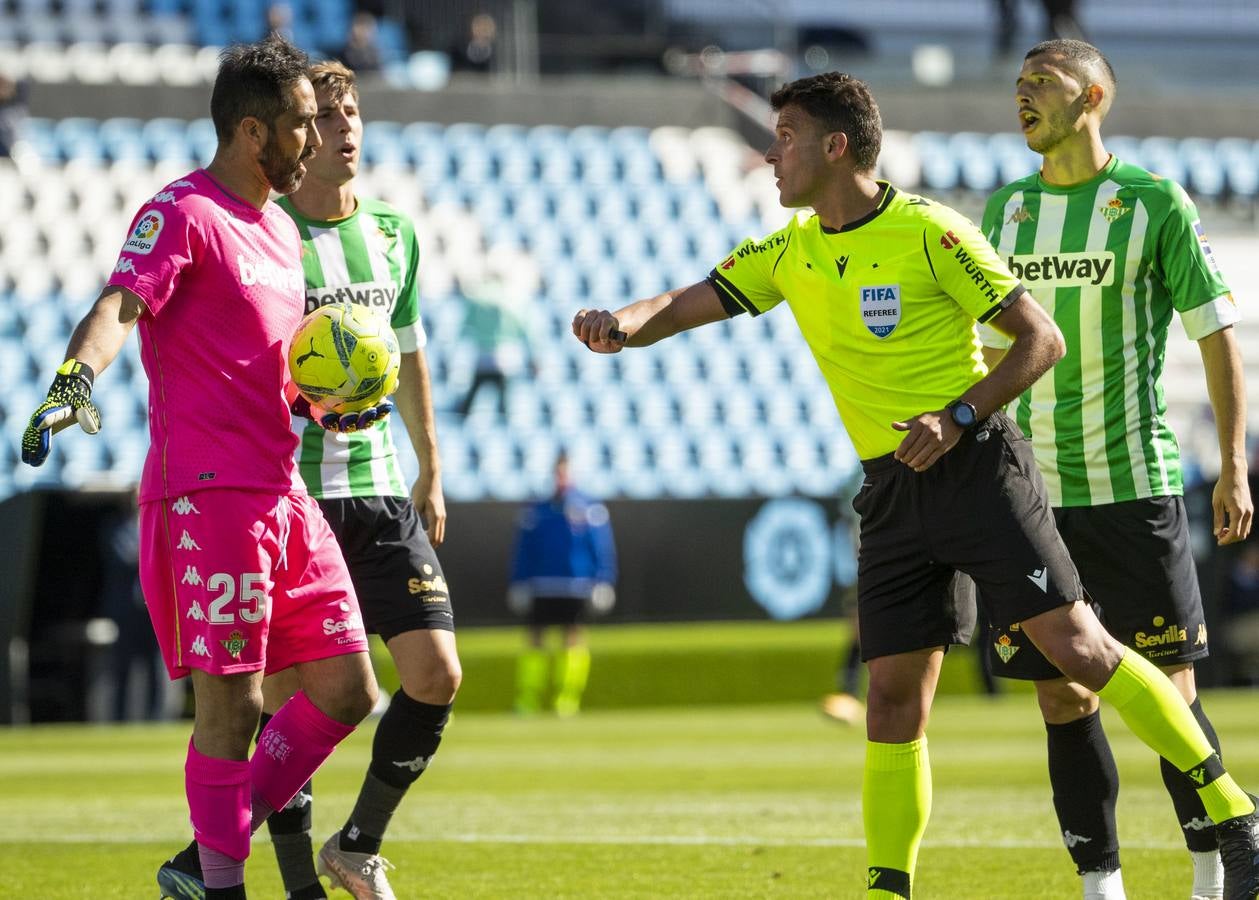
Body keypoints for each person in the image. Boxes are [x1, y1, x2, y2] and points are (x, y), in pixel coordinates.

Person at [571, 71, 1259, 900]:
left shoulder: (931, 232)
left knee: (1079, 651)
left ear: (835, 146)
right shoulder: (788, 249)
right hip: (890, 493)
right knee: (891, 696)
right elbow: (686, 302)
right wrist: (621, 325)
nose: (769, 154)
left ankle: (1232, 810)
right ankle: (886, 889)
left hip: (978, 472)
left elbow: (1037, 341)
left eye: (784, 134)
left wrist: (957, 419)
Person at [20, 36, 382, 900]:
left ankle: (198, 859)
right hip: (209, 493)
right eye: (302, 123)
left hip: (283, 489)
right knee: (234, 706)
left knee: (347, 685)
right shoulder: (183, 212)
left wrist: (324, 404)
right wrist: (74, 378)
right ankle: (220, 886)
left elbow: (267, 370)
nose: (316, 136)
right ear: (253, 132)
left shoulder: (280, 233)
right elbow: (120, 302)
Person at [979, 39, 1254, 900]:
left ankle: (1214, 873)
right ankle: (1102, 889)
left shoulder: (1150, 204)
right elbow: (984, 353)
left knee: (1167, 692)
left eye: (1043, 84)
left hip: (1132, 487)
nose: (1022, 96)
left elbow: (1216, 335)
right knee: (1063, 698)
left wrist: (1234, 464)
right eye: (1017, 83)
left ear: (1092, 97)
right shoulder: (1005, 213)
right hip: (1033, 501)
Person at [264, 57, 460, 900]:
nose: (345, 130)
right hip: (292, 497)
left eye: (352, 114)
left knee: (437, 674)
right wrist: (306, 408)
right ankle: (292, 884)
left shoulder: (393, 231)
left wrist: (431, 467)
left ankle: (356, 843)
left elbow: (408, 353)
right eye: (328, 117)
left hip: (381, 494)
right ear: (298, 132)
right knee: (287, 710)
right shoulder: (264, 234)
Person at [509, 450, 617, 717]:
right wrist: (519, 582)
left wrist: (604, 580)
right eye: (558, 472)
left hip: (576, 585)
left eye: (565, 471)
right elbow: (524, 550)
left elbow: (602, 548)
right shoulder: (537, 511)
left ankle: (566, 700)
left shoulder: (590, 508)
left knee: (573, 638)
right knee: (535, 640)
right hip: (542, 585)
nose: (561, 477)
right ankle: (528, 700)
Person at [456, 276, 532, 419]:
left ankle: (462, 416)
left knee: (470, 399)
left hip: (483, 356)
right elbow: (523, 329)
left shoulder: (477, 297)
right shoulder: (511, 298)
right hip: (504, 356)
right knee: (504, 404)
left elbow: (465, 326)